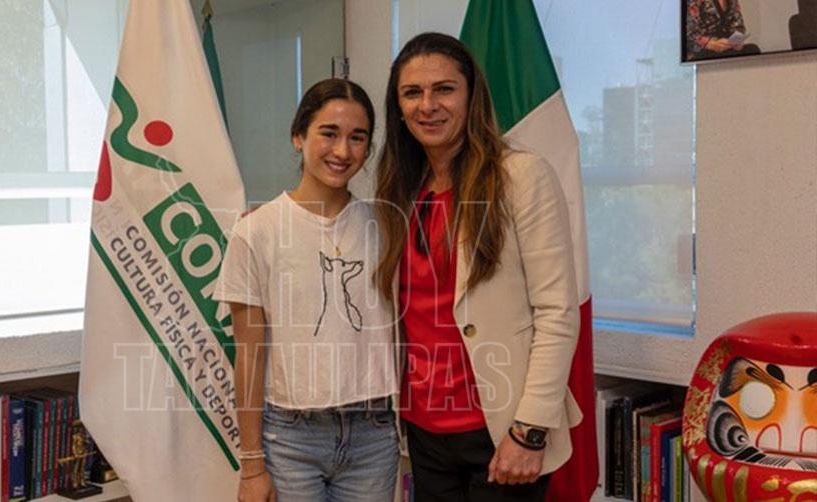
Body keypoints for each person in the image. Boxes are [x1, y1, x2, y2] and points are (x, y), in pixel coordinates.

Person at [373, 32, 583, 501]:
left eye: (444, 89)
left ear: (471, 96)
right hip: (423, 430)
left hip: (502, 429)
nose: (428, 105)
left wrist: (529, 431)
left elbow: (556, 312)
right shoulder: (398, 188)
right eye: (412, 92)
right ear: (398, 106)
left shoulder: (521, 177)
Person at [215, 78, 398, 502]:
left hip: (373, 435)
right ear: (298, 136)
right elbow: (249, 355)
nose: (342, 151)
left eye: (357, 138)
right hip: (289, 439)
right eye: (328, 133)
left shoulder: (387, 226)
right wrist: (251, 464)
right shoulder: (256, 232)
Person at [686, 0, 761, 60]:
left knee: (752, 49)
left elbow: (738, 25)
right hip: (703, 50)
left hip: (726, 46)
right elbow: (689, 33)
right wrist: (711, 44)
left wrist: (737, 41)